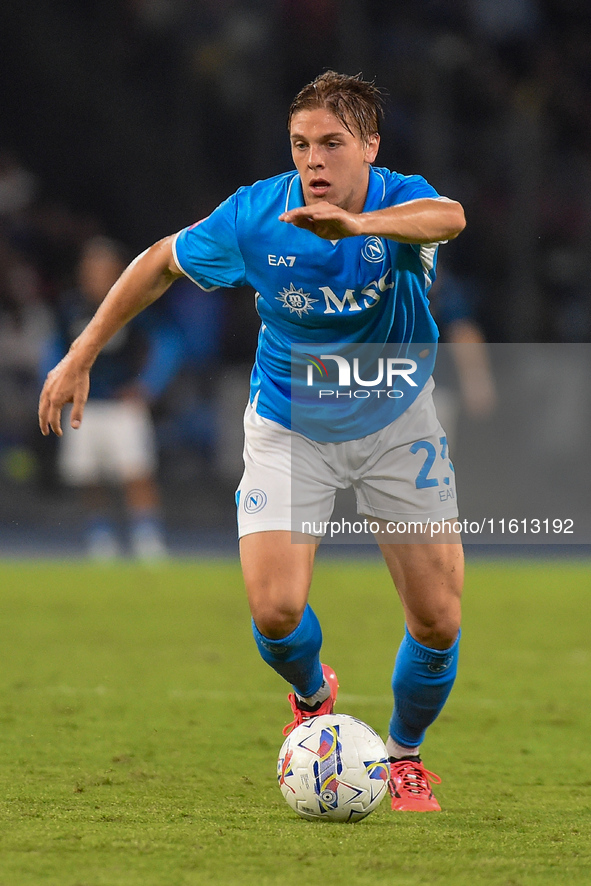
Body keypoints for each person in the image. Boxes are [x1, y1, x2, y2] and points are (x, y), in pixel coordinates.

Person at [39, 71, 466, 811]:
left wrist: (359, 229)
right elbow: (159, 263)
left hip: (397, 422)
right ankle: (312, 692)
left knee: (436, 619)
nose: (314, 160)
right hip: (289, 423)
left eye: (332, 143)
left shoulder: (400, 200)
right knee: (272, 611)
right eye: (301, 144)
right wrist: (81, 352)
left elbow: (450, 217)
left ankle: (403, 756)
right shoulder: (255, 216)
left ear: (369, 146)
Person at [42, 235, 179, 559]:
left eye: (102, 270)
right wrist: (51, 387)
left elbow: (168, 343)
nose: (94, 277)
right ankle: (100, 537)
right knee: (87, 475)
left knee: (136, 470)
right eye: (89, 270)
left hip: (122, 403)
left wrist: (148, 385)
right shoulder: (71, 307)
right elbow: (52, 349)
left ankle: (148, 539)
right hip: (83, 406)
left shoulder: (135, 302)